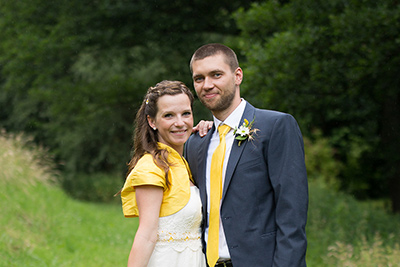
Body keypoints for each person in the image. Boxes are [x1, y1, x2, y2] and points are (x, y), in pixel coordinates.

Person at [184, 43, 308, 267]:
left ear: (237, 75)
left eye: (216, 75)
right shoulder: (195, 143)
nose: (207, 85)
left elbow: (292, 214)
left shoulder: (275, 127)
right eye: (199, 78)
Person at [119, 80, 207, 267]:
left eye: (186, 114)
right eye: (168, 115)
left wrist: (209, 131)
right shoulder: (151, 167)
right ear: (152, 121)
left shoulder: (183, 162)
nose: (179, 123)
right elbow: (146, 235)